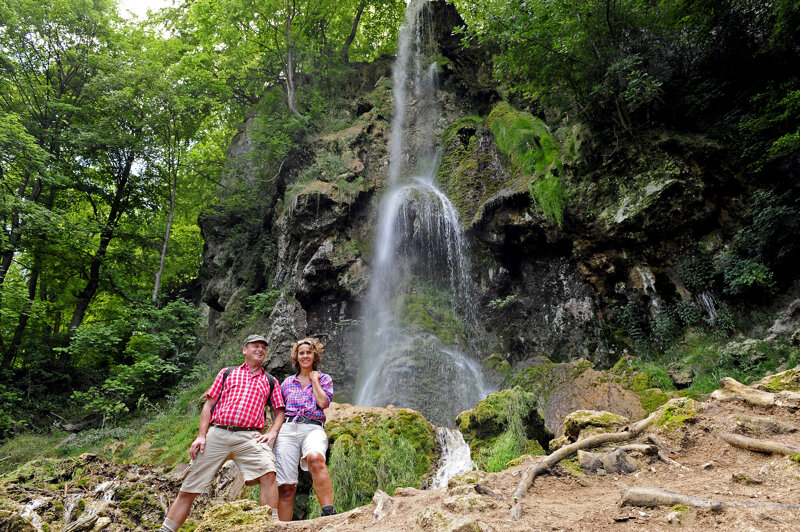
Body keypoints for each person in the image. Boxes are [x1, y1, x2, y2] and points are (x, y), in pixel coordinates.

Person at [159, 334, 285, 531]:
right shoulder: (227, 373)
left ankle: (270, 526)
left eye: (263, 347)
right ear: (245, 350)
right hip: (218, 433)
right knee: (189, 488)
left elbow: (279, 412)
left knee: (269, 473)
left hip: (250, 436)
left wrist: (272, 432)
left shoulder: (270, 381)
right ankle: (166, 529)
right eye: (255, 346)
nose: (260, 350)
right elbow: (208, 406)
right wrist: (201, 435)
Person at [275, 337, 336, 520]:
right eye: (301, 353)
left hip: (313, 427)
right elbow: (279, 410)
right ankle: (283, 527)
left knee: (316, 459)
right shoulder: (286, 383)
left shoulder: (324, 378)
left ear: (315, 355)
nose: (305, 356)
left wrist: (314, 379)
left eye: (309, 352)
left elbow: (323, 402)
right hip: (288, 429)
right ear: (296, 357)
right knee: (286, 486)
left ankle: (328, 513)